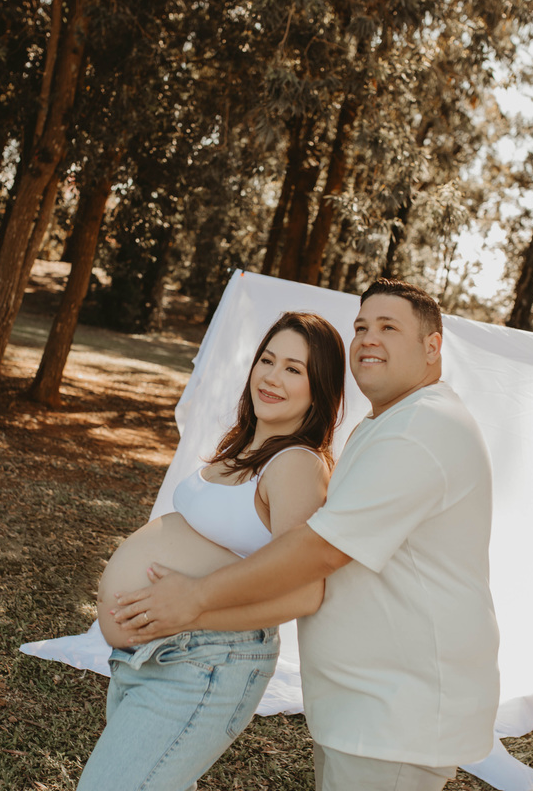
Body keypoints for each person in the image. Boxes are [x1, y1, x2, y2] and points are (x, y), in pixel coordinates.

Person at [112, 278, 501, 791]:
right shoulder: (390, 423)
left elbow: (319, 550)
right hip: (364, 703)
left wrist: (195, 600)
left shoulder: (420, 429)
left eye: (389, 327)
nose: (369, 338)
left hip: (397, 712)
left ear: (432, 347)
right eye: (361, 326)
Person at [76, 311, 346, 791]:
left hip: (206, 657)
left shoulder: (296, 465)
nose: (272, 377)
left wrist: (193, 611)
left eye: (293, 369)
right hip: (159, 652)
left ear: (319, 388)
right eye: (267, 360)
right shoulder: (245, 446)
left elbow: (306, 593)